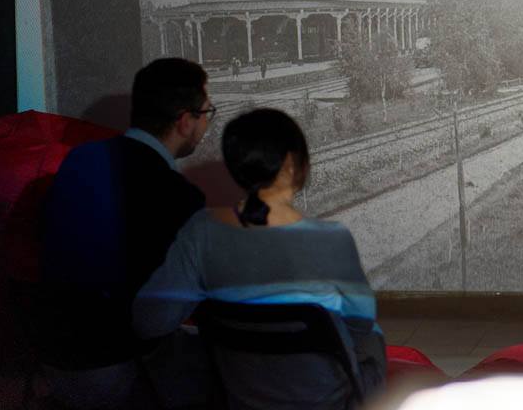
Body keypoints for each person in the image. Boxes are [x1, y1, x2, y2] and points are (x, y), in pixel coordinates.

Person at [134, 108, 386, 407]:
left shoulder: (200, 232)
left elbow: (149, 321)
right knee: (374, 335)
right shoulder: (331, 238)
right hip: (326, 402)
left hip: (241, 401)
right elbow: (360, 323)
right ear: (293, 164)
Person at [37, 57, 212, 409]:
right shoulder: (178, 195)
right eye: (208, 112)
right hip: (113, 369)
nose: (208, 123)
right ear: (184, 121)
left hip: (52, 359)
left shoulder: (80, 159)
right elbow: (154, 322)